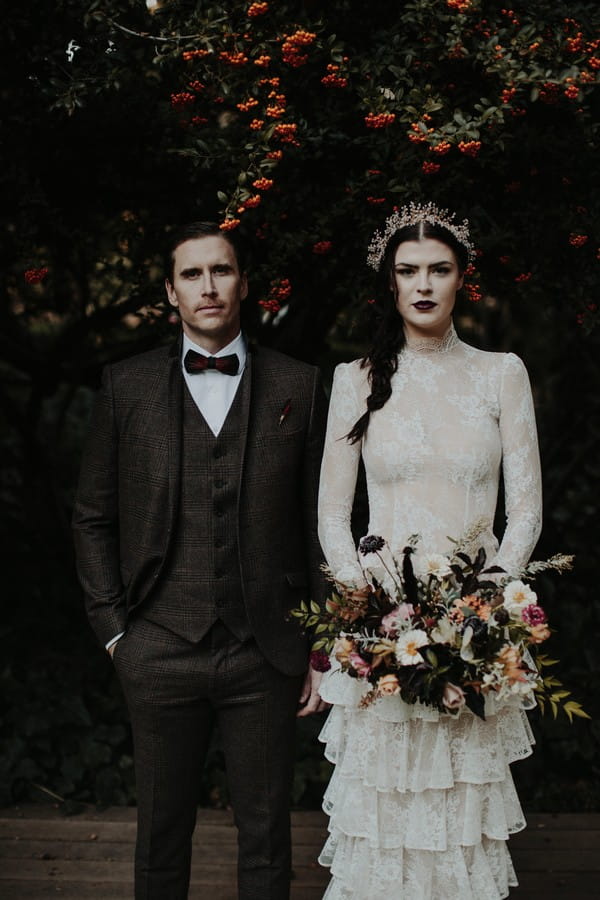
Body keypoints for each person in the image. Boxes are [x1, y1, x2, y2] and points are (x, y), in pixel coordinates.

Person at [72, 221, 329, 900]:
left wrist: (321, 645)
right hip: (156, 645)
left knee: (268, 838)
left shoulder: (299, 386)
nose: (209, 287)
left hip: (265, 649)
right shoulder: (126, 387)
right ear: (171, 292)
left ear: (243, 282)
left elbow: (318, 521)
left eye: (221, 271)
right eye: (192, 274)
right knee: (160, 835)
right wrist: (116, 632)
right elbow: (93, 516)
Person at [316, 202, 542, 899]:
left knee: (460, 813)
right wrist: (370, 606)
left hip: (473, 629)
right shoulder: (355, 379)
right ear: (390, 283)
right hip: (383, 636)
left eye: (438, 270)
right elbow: (331, 512)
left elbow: (525, 508)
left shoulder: (502, 372)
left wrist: (483, 604)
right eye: (408, 270)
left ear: (461, 279)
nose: (423, 284)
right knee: (383, 817)